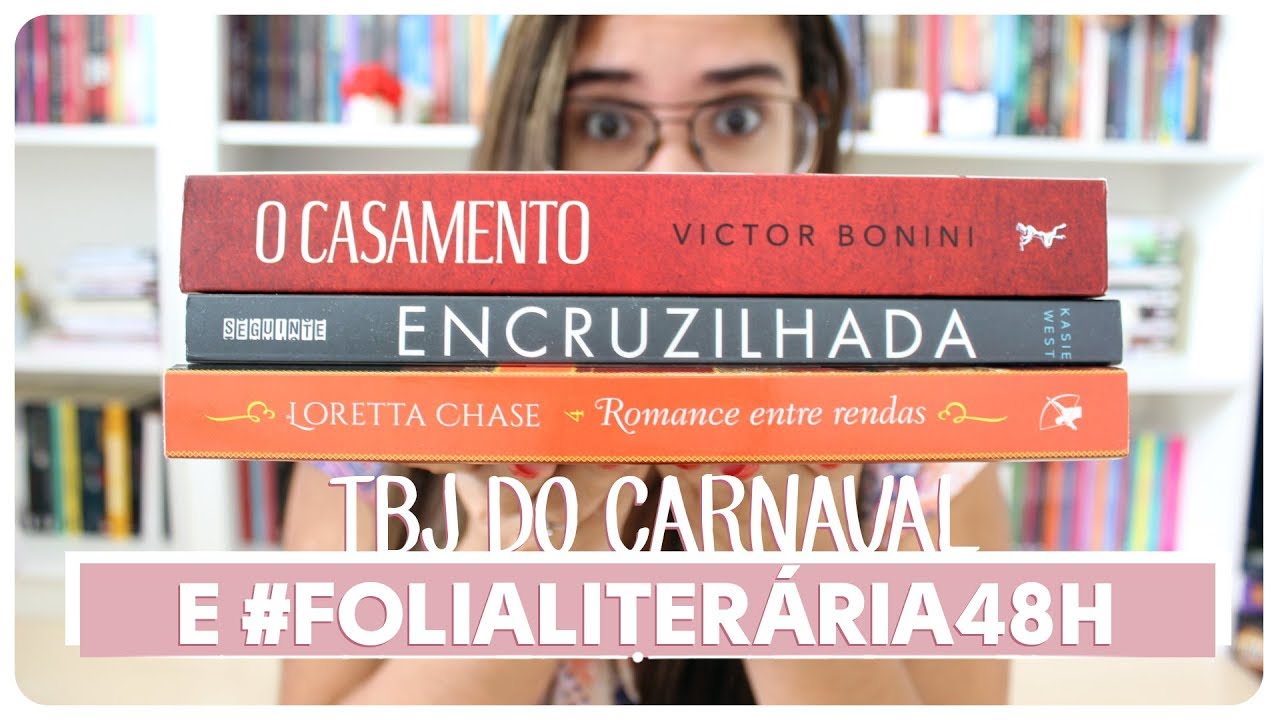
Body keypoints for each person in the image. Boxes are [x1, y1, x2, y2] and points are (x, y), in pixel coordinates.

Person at [281, 15, 1011, 705]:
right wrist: (520, 573)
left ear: (808, 131)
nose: (673, 183)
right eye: (606, 124)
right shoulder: (381, 400)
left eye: (737, 119)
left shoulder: (923, 423)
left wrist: (788, 571)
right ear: (535, 141)